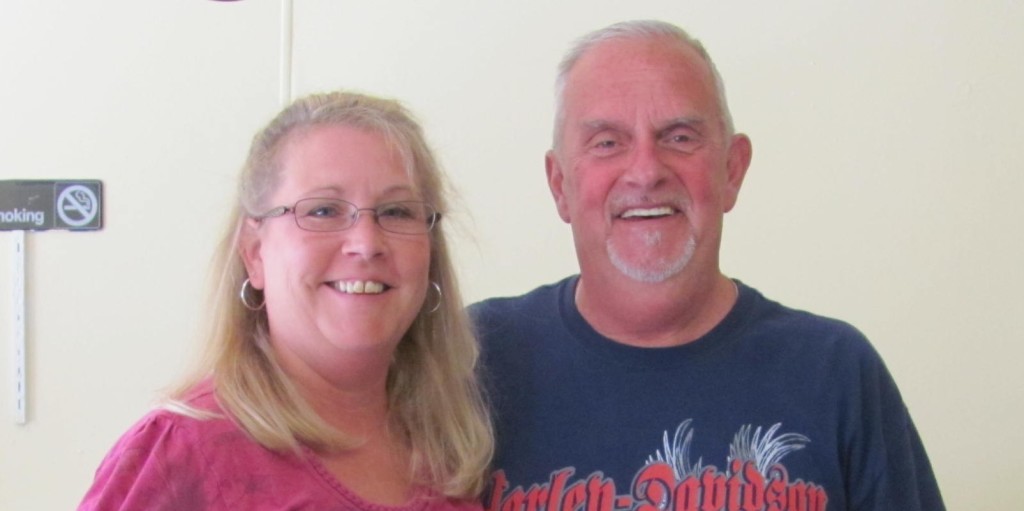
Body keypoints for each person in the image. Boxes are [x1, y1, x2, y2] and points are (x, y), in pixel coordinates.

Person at [471, 20, 945, 510]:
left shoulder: (835, 371)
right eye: (607, 142)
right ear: (559, 184)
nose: (646, 171)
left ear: (732, 170)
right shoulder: (471, 360)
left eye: (678, 137)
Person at [79, 91, 493, 510]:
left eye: (397, 212)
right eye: (323, 211)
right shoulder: (183, 453)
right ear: (255, 252)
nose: (367, 244)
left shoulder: (452, 446)